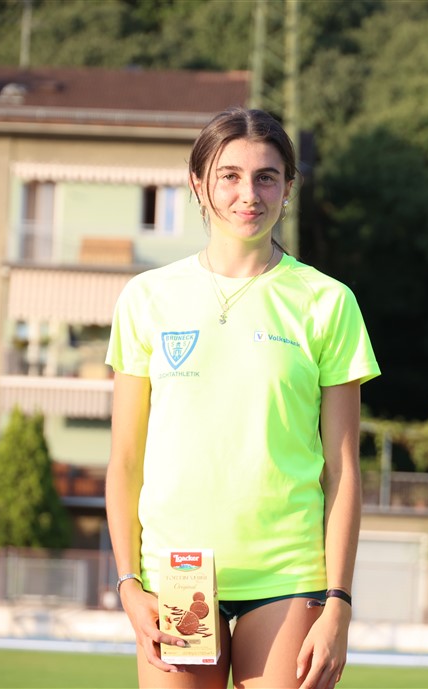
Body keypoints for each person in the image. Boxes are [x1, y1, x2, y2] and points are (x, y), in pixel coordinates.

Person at [105, 107, 380, 689]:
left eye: (266, 177)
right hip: (176, 574)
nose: (248, 194)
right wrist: (129, 583)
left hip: (289, 576)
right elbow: (125, 461)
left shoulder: (327, 302)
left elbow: (343, 470)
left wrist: (339, 602)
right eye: (229, 176)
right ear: (197, 183)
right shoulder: (147, 297)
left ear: (288, 187)